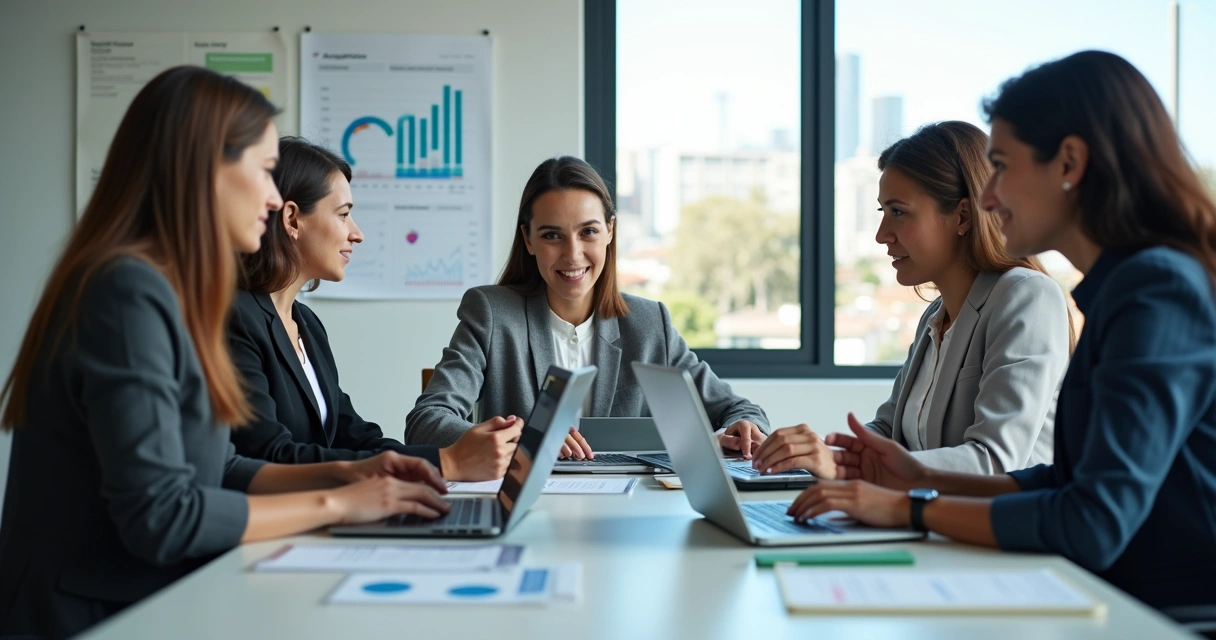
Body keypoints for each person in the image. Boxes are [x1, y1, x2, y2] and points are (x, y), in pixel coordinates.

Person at [0, 67, 449, 638]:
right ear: (204, 171)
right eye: (264, 172)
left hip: (143, 599)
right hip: (87, 615)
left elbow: (216, 467)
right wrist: (340, 504)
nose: (271, 197)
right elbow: (163, 517)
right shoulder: (125, 290)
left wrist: (352, 470)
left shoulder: (174, 291)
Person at [787, 51, 1216, 611]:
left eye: (1004, 167)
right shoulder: (1124, 288)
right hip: (1113, 592)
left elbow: (1092, 520)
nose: (989, 197)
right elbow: (1065, 480)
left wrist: (910, 506)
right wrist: (914, 476)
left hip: (1158, 612)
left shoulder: (1155, 290)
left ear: (1069, 163)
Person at [752, 122, 1072, 478]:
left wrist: (847, 467)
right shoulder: (935, 316)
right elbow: (889, 435)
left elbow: (995, 461)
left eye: (899, 212)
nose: (881, 235)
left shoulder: (1026, 297)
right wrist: (813, 454)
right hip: (931, 525)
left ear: (963, 216)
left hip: (1003, 530)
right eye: (882, 212)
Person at [405, 156, 769, 459]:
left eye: (588, 232)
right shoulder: (492, 314)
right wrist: (524, 441)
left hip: (626, 516)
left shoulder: (648, 323)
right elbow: (425, 423)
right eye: (552, 235)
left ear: (610, 231)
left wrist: (746, 427)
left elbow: (739, 410)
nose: (573, 253)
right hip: (527, 511)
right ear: (528, 240)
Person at [229, 137, 520, 481]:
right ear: (292, 219)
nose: (357, 234)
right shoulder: (235, 319)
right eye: (344, 215)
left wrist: (447, 456)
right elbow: (268, 456)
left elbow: (356, 437)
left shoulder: (305, 323)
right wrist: (445, 464)